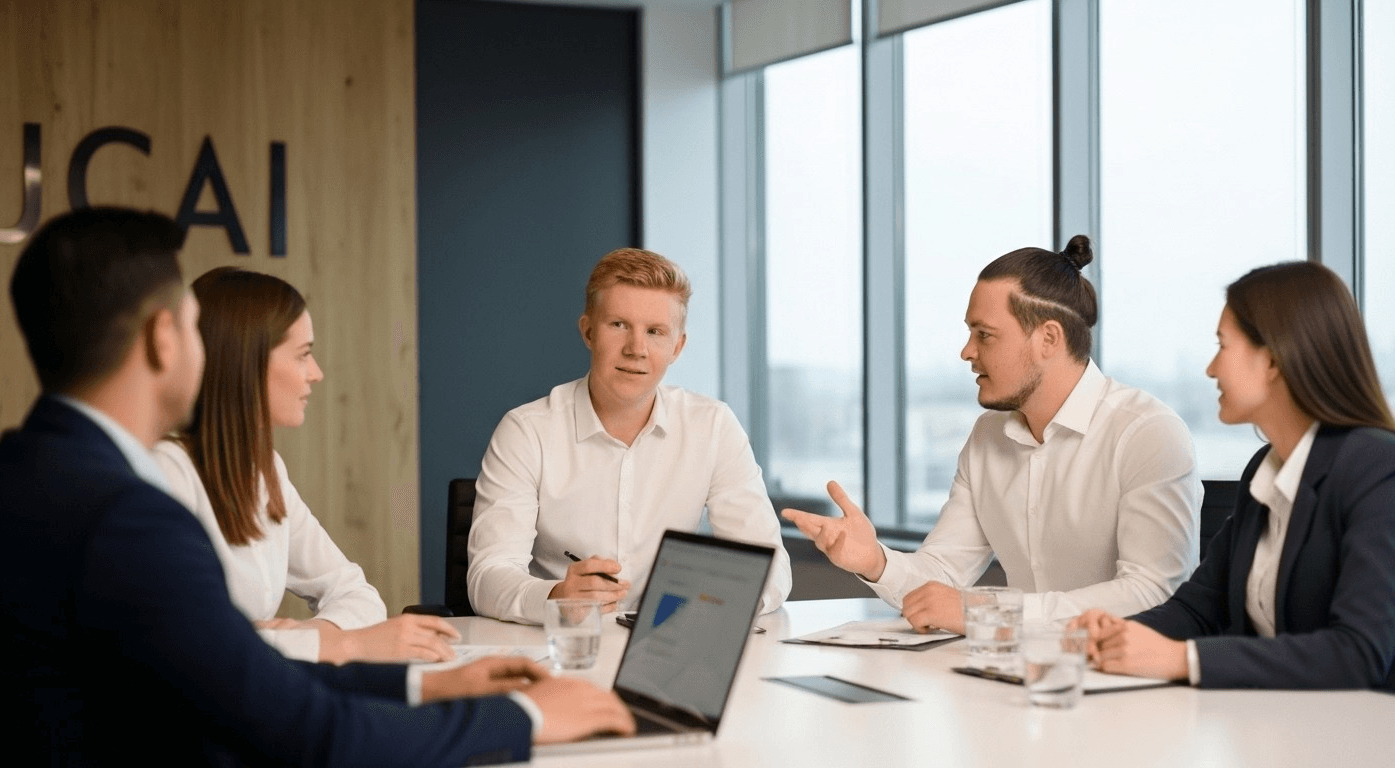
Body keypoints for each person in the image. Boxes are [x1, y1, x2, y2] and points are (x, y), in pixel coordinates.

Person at [0, 207, 633, 764]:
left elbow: (244, 682)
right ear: (162, 339)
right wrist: (528, 719)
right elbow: (307, 734)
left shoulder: (25, 477)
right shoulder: (126, 516)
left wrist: (424, 687)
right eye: (191, 328)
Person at [784, 235, 1200, 633]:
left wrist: (991, 612)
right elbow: (943, 575)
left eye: (984, 334)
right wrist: (875, 561)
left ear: (1048, 338)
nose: (967, 351)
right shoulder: (988, 436)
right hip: (1015, 676)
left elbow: (1151, 592)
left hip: (1123, 686)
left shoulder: (1146, 433)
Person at [1074, 261, 1395, 689]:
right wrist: (1116, 634)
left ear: (1275, 360)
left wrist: (1182, 659)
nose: (1211, 369)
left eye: (1222, 346)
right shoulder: (1265, 470)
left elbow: (1359, 652)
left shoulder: (1376, 468)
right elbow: (1197, 611)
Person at [467, 247, 792, 623]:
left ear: (677, 346)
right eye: (619, 325)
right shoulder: (527, 431)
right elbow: (487, 576)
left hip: (665, 648)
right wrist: (556, 597)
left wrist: (708, 601)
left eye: (655, 332)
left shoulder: (713, 427)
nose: (636, 349)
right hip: (564, 647)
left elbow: (770, 569)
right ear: (588, 332)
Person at [152, 266, 448, 664]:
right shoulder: (164, 474)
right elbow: (186, 646)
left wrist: (312, 635)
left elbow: (356, 593)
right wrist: (342, 644)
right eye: (303, 355)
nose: (316, 373)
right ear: (246, 363)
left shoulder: (264, 469)